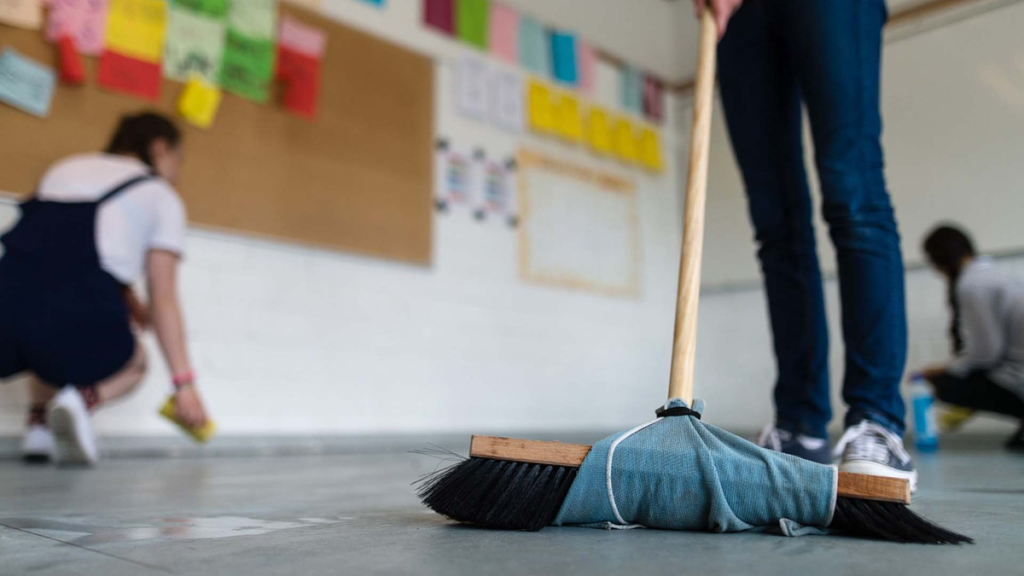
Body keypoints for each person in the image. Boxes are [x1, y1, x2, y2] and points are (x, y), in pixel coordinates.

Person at [694, 0, 915, 485]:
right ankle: (798, 425)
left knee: (853, 196)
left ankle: (876, 419)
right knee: (776, 224)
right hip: (740, 15)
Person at [0, 112, 209, 465]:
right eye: (178, 159)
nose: (178, 171)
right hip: (74, 309)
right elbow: (164, 298)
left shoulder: (65, 167)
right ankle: (81, 401)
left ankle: (38, 428)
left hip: (8, 299)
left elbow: (48, 249)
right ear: (159, 149)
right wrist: (183, 384)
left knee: (40, 323)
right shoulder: (160, 194)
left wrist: (125, 294)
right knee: (136, 360)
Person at [917, 225, 1024, 451]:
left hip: (1019, 379)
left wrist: (945, 370)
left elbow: (986, 353)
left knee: (944, 385)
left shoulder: (971, 285)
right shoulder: (999, 275)